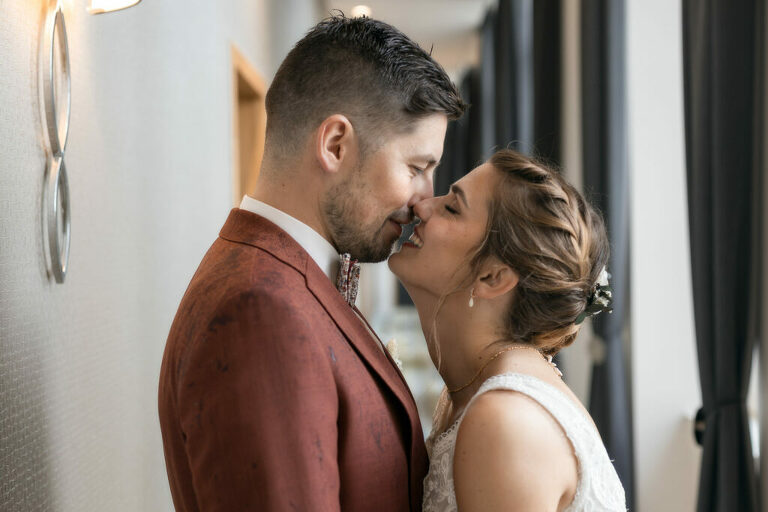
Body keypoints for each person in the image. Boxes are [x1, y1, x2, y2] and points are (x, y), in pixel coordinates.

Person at [157, 14, 465, 512]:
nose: (423, 201)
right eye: (416, 168)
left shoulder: (289, 279)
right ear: (335, 145)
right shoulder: (260, 311)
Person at [389, 149, 627, 511]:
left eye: (452, 208)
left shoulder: (506, 418)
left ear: (493, 276)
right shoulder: (470, 395)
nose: (421, 206)